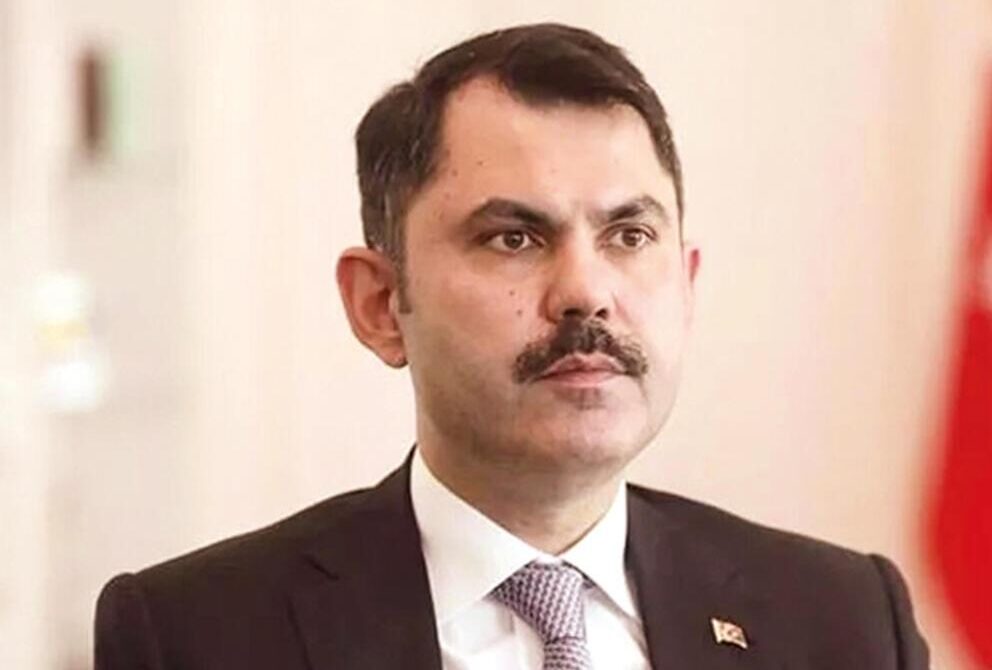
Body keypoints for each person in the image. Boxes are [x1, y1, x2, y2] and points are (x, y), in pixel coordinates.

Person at [94, 23, 929, 669]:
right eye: (514, 239)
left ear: (686, 284)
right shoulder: (195, 635)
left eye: (629, 234)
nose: (586, 292)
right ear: (381, 305)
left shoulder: (841, 618)